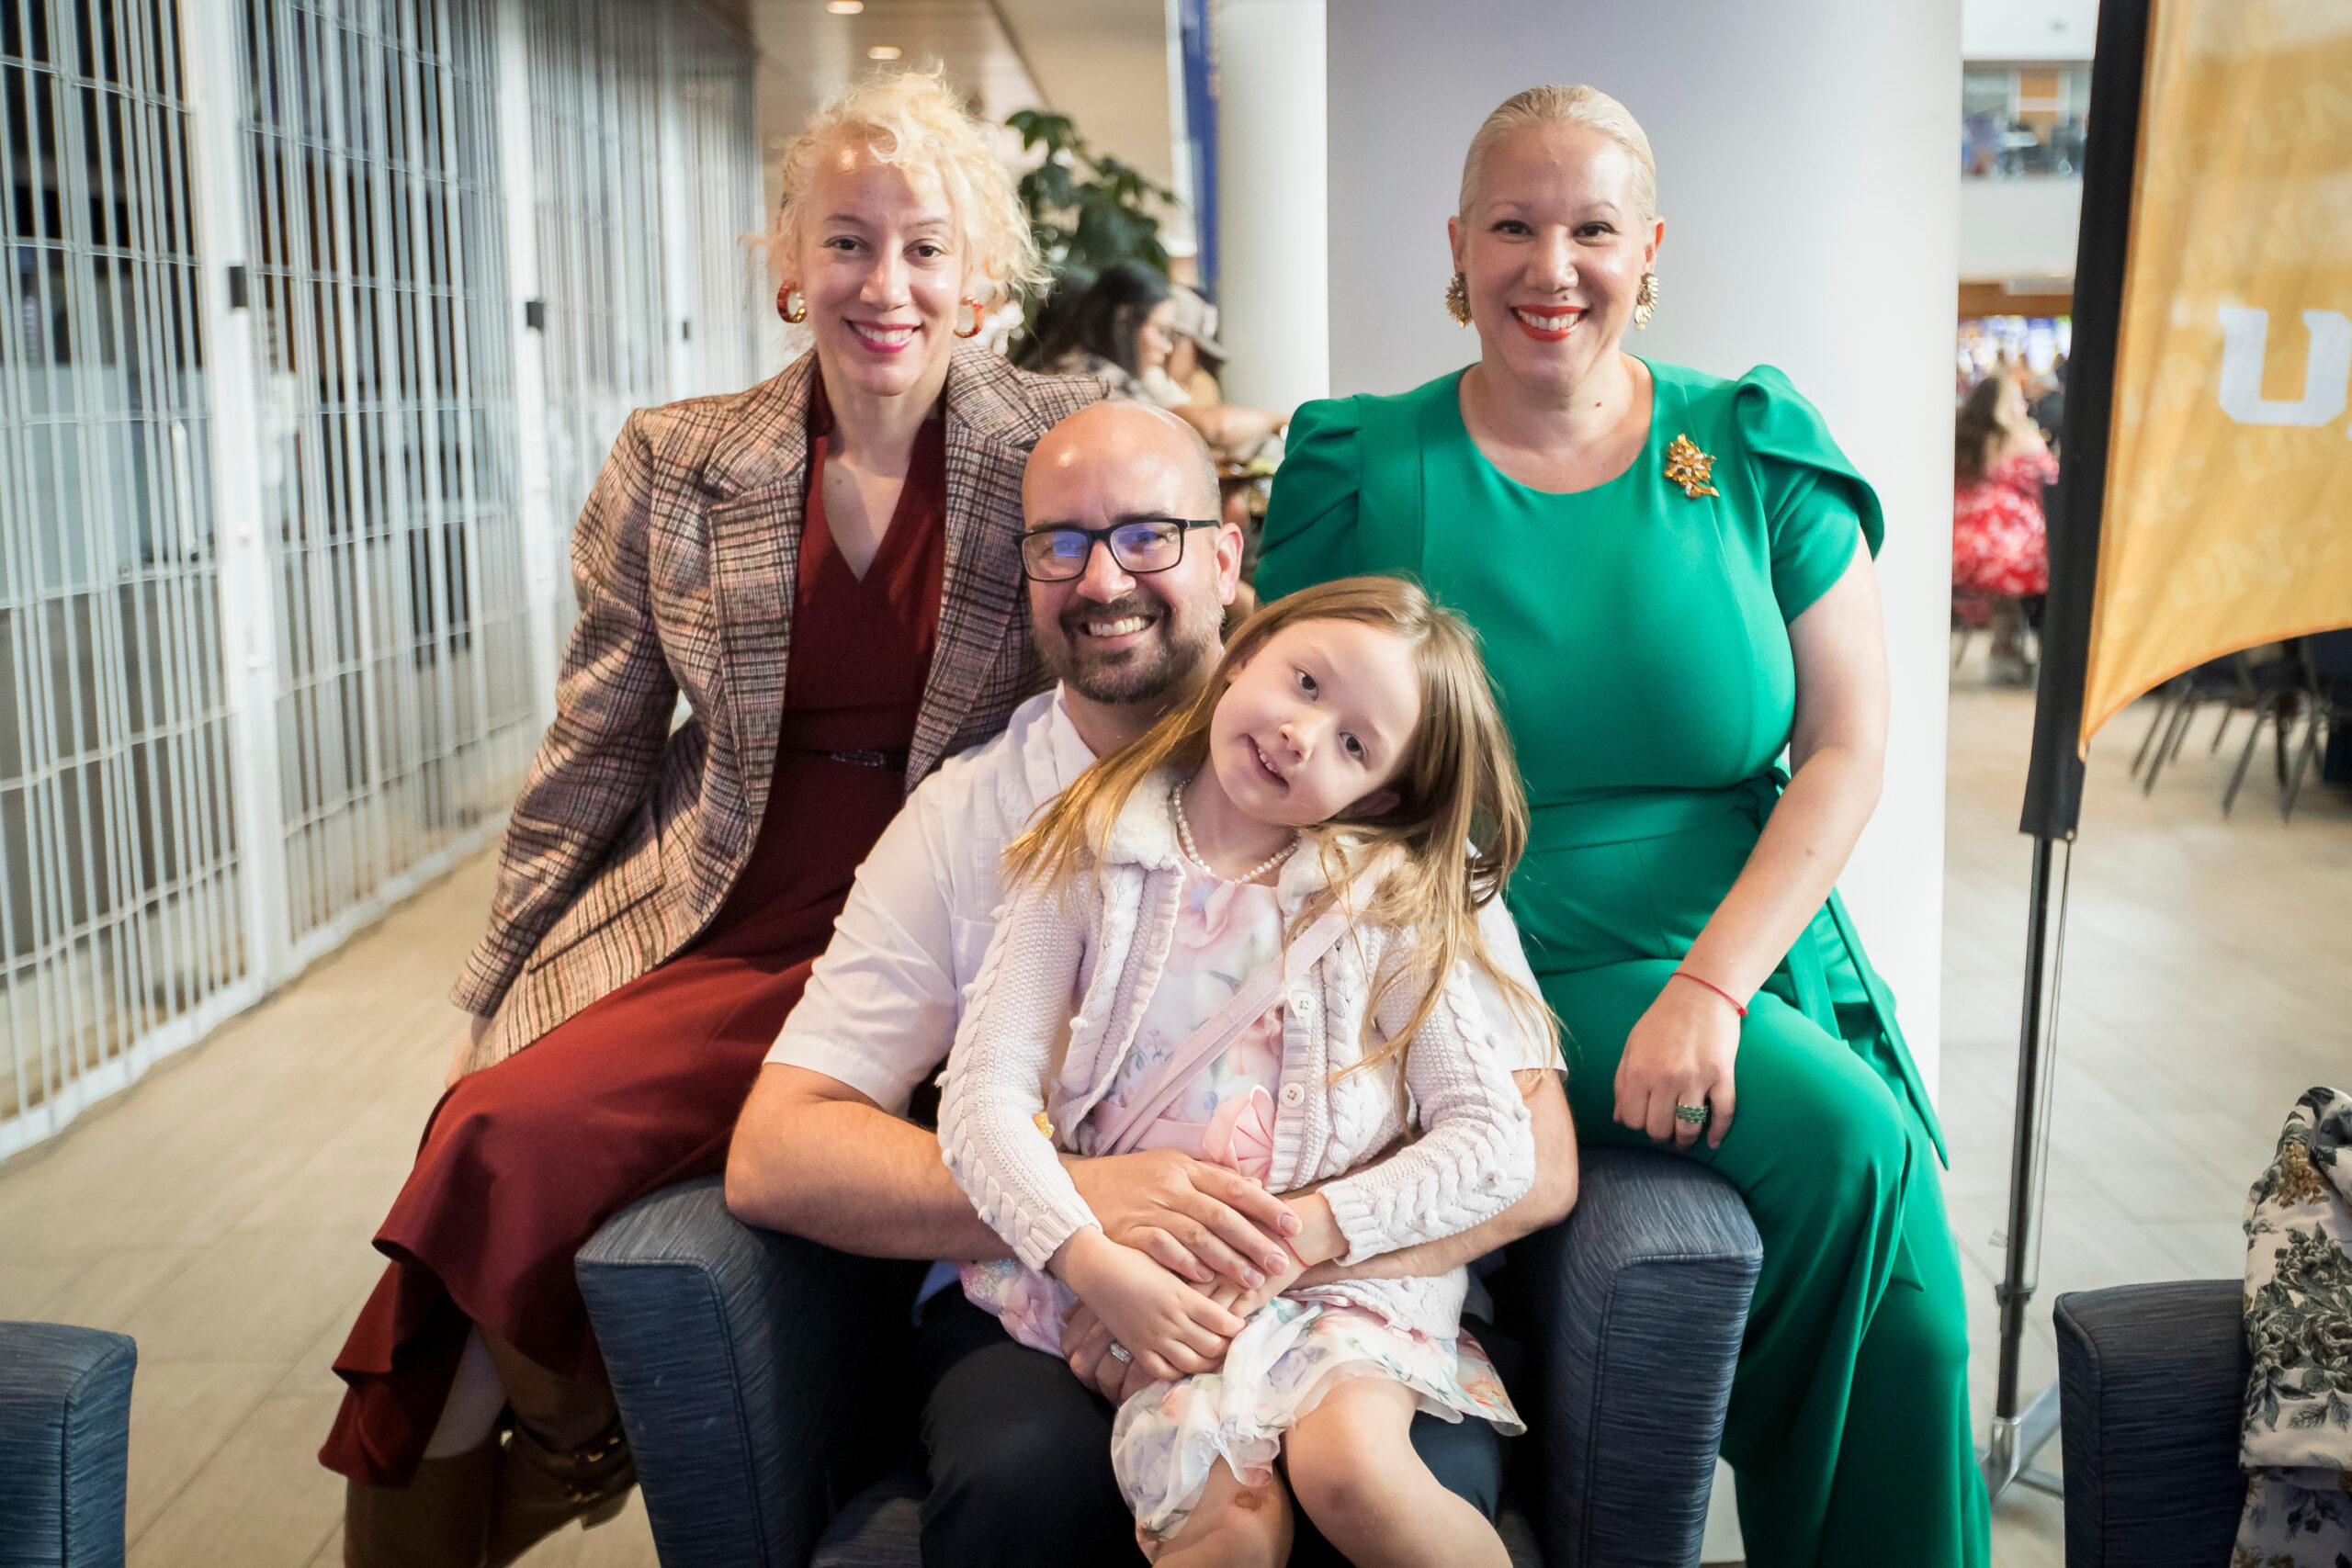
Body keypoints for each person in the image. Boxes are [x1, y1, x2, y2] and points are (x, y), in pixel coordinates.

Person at [320, 70, 1103, 1566]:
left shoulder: (1057, 444)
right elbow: (598, 747)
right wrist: (495, 986)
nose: (888, 283)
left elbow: (1161, 641)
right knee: (486, 1119)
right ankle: (553, 1446)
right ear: (786, 261)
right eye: (849, 241)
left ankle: (541, 1457)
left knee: (485, 1180)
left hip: (960, 901)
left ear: (981, 273)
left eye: (926, 246)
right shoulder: (680, 457)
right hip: (726, 897)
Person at [1256, 83, 1990, 1568]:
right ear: (1457, 247)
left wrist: (1716, 988)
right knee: (1848, 1143)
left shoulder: (1753, 442)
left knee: (1914, 1305)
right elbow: (1281, 762)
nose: (1552, 267)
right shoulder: (1362, 460)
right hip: (1489, 951)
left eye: (1592, 228)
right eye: (1514, 227)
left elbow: (1850, 744)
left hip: (1744, 940)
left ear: (1649, 249)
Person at [728, 400, 1579, 1567]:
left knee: (1365, 1482)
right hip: (1056, 1284)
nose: (1101, 576)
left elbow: (1529, 1157)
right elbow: (779, 1152)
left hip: (1346, 1293)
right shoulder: (1013, 826)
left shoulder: (1391, 856)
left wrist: (1265, 1261)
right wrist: (1095, 1222)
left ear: (1230, 560)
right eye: (1060, 544)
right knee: (1042, 1484)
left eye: (1147, 536)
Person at [939, 576, 1544, 1567]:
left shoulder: (1383, 902)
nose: (1304, 736)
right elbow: (980, 1100)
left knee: (1351, 1467)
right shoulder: (1085, 851)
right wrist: (1094, 1266)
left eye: (1354, 745)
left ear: (1379, 796)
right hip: (1153, 1284)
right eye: (1304, 682)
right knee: (1225, 1519)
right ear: (1246, 653)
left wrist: (1305, 1235)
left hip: (1328, 1273)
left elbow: (1492, 1145)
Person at [1026, 260, 1289, 461]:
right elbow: (1196, 434)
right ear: (1125, 319)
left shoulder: (1074, 364)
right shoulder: (1101, 383)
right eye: (1162, 332)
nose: (1166, 348)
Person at [1953, 372, 2059, 685]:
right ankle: (2028, 654)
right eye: (2018, 398)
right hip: (2012, 547)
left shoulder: (1965, 440)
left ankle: (2005, 650)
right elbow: (2051, 482)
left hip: (1961, 544)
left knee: (2008, 578)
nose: (2025, 404)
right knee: (2051, 564)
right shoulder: (2024, 439)